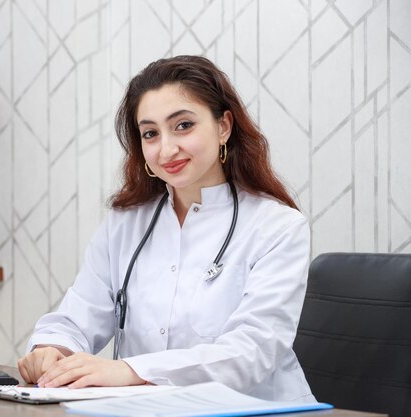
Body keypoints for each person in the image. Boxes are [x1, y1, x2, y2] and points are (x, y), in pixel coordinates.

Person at [18, 55, 314, 402]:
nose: (166, 148)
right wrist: (53, 351)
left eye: (183, 125)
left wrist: (130, 371)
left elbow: (251, 354)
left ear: (224, 127)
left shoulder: (277, 227)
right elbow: (76, 316)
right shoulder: (126, 224)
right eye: (150, 133)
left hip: (258, 409)